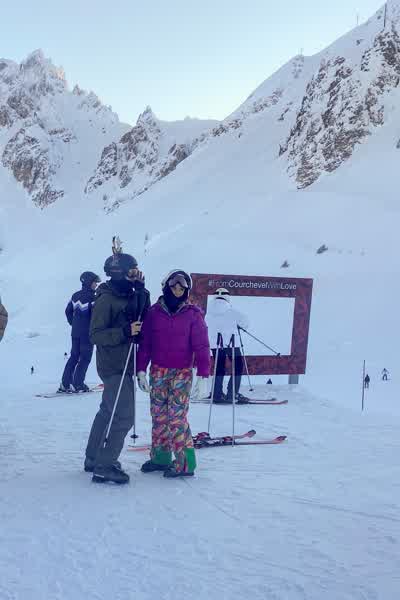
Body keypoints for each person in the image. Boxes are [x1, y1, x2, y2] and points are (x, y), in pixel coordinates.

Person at [137, 270, 210, 478]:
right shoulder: (153, 313)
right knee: (159, 416)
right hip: (158, 371)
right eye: (174, 285)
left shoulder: (193, 314)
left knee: (176, 419)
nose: (178, 289)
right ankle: (161, 458)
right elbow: (146, 344)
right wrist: (140, 369)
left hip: (182, 373)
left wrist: (203, 374)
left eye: (182, 287)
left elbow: (202, 346)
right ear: (166, 286)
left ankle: (185, 464)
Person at [85, 251, 150, 484]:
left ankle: (93, 458)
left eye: (137, 271)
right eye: (132, 271)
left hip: (124, 363)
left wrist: (141, 289)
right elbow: (95, 335)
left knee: (107, 411)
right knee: (123, 416)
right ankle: (105, 465)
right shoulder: (106, 298)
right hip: (113, 365)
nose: (136, 275)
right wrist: (124, 332)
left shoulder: (128, 293)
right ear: (119, 273)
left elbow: (144, 315)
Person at [58, 271, 101, 393]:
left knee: (74, 357)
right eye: (94, 282)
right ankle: (78, 384)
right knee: (85, 358)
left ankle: (65, 383)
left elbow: (68, 311)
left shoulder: (75, 296)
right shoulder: (94, 298)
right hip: (87, 334)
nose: (96, 285)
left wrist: (74, 323)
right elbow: (96, 316)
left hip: (75, 333)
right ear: (88, 283)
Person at [205, 288, 249, 403]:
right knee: (238, 366)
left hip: (215, 344)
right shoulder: (232, 312)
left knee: (219, 367)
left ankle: (216, 393)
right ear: (227, 297)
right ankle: (232, 393)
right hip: (232, 343)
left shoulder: (208, 313)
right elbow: (245, 322)